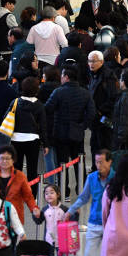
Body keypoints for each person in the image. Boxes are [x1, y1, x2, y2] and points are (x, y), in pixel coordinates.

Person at [45, 67, 95, 200]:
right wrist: (82, 125)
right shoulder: (85, 93)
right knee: (79, 162)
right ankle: (82, 189)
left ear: (66, 77)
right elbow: (91, 113)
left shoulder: (58, 92)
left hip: (60, 133)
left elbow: (48, 109)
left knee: (62, 163)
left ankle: (64, 191)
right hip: (77, 133)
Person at [64, 149, 115, 256]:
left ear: (109, 161)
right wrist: (70, 211)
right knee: (89, 255)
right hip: (94, 222)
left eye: (101, 162)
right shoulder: (91, 178)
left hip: (112, 223)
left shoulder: (117, 178)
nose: (98, 165)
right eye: (96, 162)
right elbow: (83, 198)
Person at [0, 145, 40, 224]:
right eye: (2, 158)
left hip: (14, 218)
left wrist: (34, 208)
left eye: (7, 158)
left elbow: (28, 196)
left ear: (13, 160)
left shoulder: (20, 176)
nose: (4, 161)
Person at [10, 77, 49, 198]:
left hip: (16, 139)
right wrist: (45, 144)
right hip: (33, 140)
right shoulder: (39, 105)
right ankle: (32, 194)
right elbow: (43, 126)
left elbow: (6, 118)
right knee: (32, 169)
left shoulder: (15, 102)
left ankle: (16, 192)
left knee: (16, 168)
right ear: (36, 90)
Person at [87, 50, 119, 167]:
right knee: (94, 145)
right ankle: (96, 168)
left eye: (94, 61)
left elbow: (113, 97)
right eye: (89, 61)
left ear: (101, 62)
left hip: (105, 119)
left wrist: (100, 111)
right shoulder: (92, 75)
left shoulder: (108, 76)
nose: (91, 64)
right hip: (95, 119)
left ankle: (105, 169)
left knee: (105, 145)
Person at [32, 184, 75, 256]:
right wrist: (36, 215)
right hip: (49, 239)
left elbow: (72, 221)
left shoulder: (64, 209)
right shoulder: (45, 209)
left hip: (62, 241)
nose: (49, 195)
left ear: (58, 194)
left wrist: (75, 213)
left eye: (52, 193)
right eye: (46, 193)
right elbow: (38, 221)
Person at [39, 66, 60, 184]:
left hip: (47, 124)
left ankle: (51, 182)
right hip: (59, 124)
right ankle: (59, 181)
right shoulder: (61, 87)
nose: (42, 76)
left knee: (48, 154)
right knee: (57, 155)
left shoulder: (43, 89)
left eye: (43, 74)